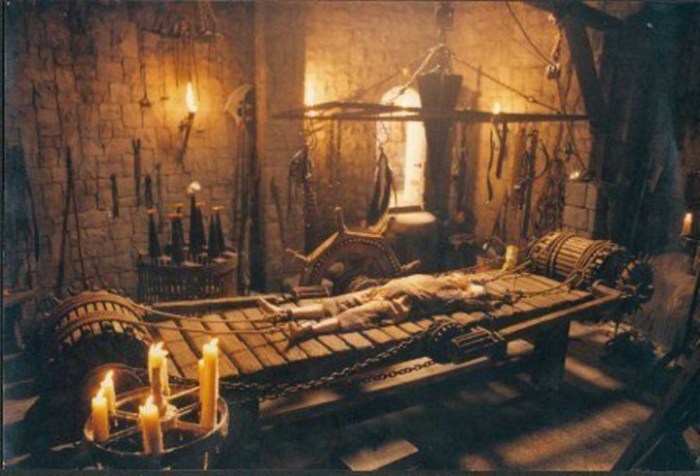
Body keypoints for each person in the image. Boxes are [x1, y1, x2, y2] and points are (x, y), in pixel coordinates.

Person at [259, 272, 495, 342]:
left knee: (353, 314)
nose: (460, 278)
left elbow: (479, 302)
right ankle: (284, 313)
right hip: (384, 290)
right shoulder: (441, 278)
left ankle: (305, 330)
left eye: (470, 286)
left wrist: (488, 299)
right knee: (339, 301)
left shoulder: (456, 296)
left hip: (396, 304)